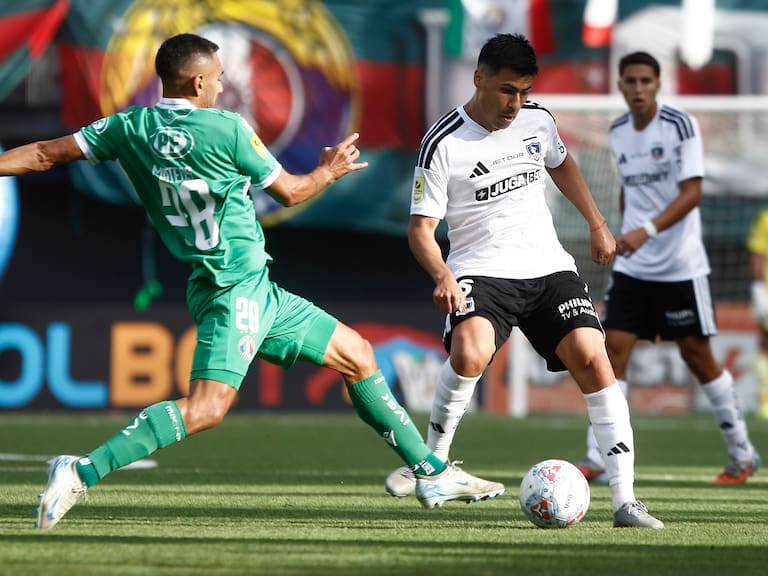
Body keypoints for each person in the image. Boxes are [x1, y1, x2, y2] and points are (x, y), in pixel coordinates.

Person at [0, 33, 505, 530]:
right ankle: (80, 470)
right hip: (233, 291)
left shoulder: (129, 126)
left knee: (358, 355)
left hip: (250, 289)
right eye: (219, 78)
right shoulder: (228, 130)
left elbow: (45, 153)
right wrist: (329, 171)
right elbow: (290, 192)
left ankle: (431, 473)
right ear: (198, 82)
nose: (223, 85)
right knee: (205, 409)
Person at [384, 33, 663, 528]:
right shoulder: (442, 141)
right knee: (469, 352)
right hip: (480, 270)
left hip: (548, 267)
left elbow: (562, 164)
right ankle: (430, 465)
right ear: (479, 78)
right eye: (507, 90)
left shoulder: (538, 119)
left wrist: (597, 222)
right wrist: (443, 273)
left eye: (524, 91)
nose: (515, 103)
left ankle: (625, 501)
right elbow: (420, 230)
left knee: (595, 360)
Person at [574, 51, 760, 485]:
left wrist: (647, 231)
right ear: (620, 86)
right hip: (634, 269)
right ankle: (599, 457)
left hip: (680, 266)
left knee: (697, 356)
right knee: (609, 353)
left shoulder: (680, 125)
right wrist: (623, 232)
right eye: (630, 81)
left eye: (645, 81)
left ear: (658, 84)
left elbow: (692, 192)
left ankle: (742, 453)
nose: (638, 88)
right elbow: (628, 192)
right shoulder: (618, 131)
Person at [747, 209, 768, 419]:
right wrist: (757, 287)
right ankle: (765, 400)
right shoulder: (765, 218)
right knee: (765, 344)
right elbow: (758, 253)